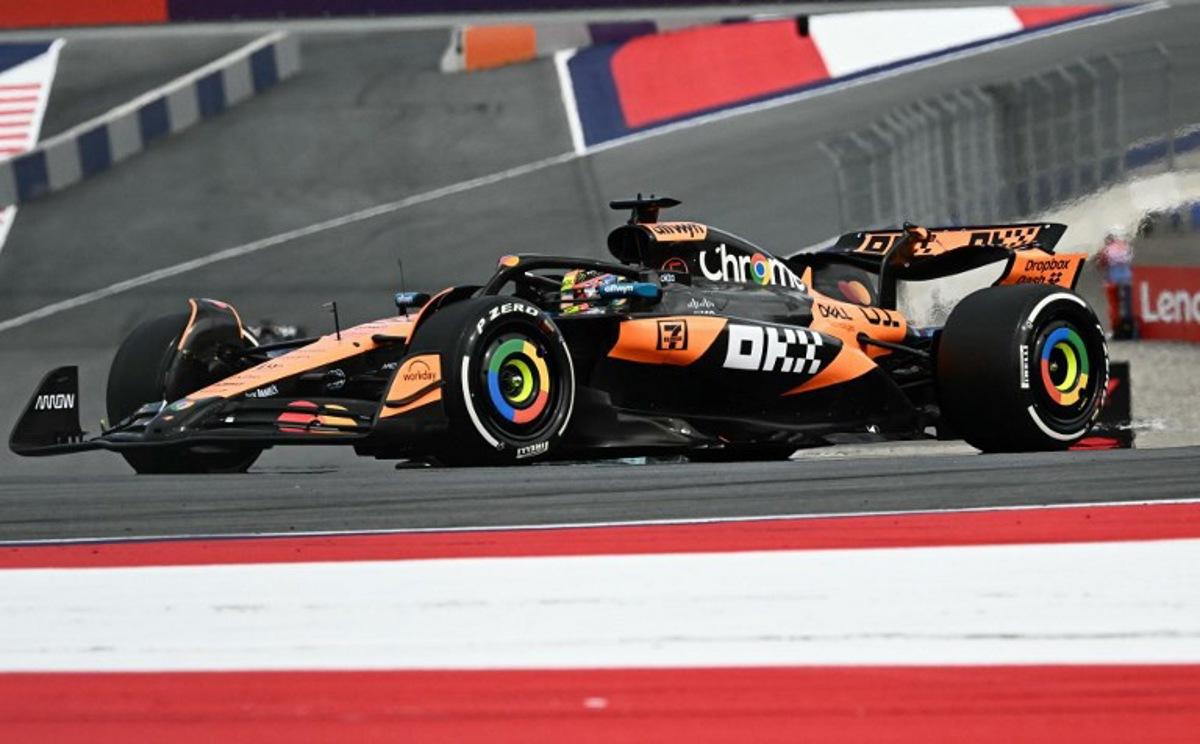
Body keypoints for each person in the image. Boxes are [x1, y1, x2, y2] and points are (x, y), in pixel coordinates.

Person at [1093, 227, 1135, 339]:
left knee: (1114, 307)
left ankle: (1116, 331)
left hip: (1113, 282)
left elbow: (1101, 264)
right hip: (1127, 280)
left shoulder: (1107, 250)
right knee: (1127, 306)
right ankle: (1129, 330)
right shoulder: (1126, 247)